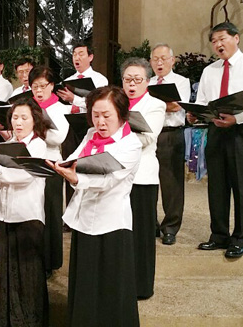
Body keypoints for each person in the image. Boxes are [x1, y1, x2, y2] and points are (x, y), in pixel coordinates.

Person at [49, 86, 141, 327]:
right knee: (85, 283)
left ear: (122, 114)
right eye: (95, 114)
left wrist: (76, 178)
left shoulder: (130, 144)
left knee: (112, 286)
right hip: (84, 219)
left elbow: (110, 180)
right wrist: (61, 166)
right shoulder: (90, 134)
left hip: (112, 224)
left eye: (106, 115)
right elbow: (76, 160)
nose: (100, 122)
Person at [190, 22, 243, 259]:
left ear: (236, 38)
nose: (218, 44)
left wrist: (237, 118)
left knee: (242, 186)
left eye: (222, 39)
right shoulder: (209, 71)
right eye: (214, 41)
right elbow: (203, 100)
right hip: (216, 132)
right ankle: (219, 235)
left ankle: (241, 238)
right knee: (218, 186)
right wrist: (196, 114)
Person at [0, 99, 49, 327]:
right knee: (8, 270)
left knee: (28, 272)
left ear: (35, 120)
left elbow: (25, 176)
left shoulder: (38, 145)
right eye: (15, 118)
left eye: (24, 118)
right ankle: (9, 319)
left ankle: (29, 321)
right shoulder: (8, 143)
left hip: (27, 214)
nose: (18, 122)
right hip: (6, 212)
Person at [122, 58, 166, 299]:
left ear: (147, 82)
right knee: (122, 232)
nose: (132, 84)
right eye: (128, 79)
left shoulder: (155, 105)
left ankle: (141, 287)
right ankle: (122, 282)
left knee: (142, 234)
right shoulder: (116, 103)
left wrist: (116, 137)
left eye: (137, 80)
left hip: (142, 177)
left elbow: (148, 138)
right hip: (118, 175)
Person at [29, 66, 70, 276]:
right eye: (34, 86)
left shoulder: (59, 108)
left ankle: (50, 262)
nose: (38, 90)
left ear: (52, 86)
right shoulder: (29, 106)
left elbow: (58, 138)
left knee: (51, 212)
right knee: (34, 212)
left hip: (51, 163)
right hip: (30, 162)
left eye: (42, 86)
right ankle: (34, 259)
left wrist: (36, 126)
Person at [148, 44, 191, 245]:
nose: (159, 62)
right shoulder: (147, 82)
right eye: (155, 59)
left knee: (171, 183)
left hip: (171, 135)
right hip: (150, 134)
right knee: (148, 179)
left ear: (172, 61)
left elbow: (176, 106)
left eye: (163, 58)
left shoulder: (181, 82)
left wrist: (153, 106)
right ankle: (151, 225)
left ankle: (170, 227)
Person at [56, 40, 108, 113]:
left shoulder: (100, 79)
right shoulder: (67, 81)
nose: (77, 58)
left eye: (81, 54)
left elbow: (98, 103)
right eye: (74, 55)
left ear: (90, 57)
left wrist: (73, 99)